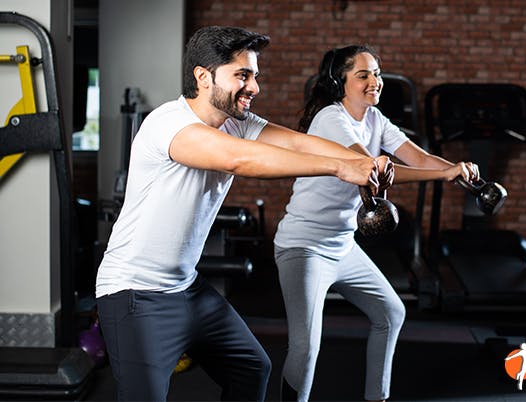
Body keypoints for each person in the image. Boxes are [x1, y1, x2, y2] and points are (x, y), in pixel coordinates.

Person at [95, 27, 390, 402]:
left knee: (251, 367)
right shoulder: (169, 125)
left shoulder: (236, 122)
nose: (254, 87)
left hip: (187, 289)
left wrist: (364, 160)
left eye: (255, 76)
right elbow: (241, 158)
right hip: (135, 294)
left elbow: (298, 142)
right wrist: (339, 168)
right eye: (242, 75)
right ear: (203, 77)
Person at [273, 45, 480, 402]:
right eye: (363, 75)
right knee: (306, 346)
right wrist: (443, 174)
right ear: (341, 82)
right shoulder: (330, 119)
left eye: (377, 73)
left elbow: (417, 157)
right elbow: (370, 168)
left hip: (343, 245)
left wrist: (456, 170)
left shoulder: (375, 119)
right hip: (303, 246)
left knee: (391, 312)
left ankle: (377, 398)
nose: (375, 82)